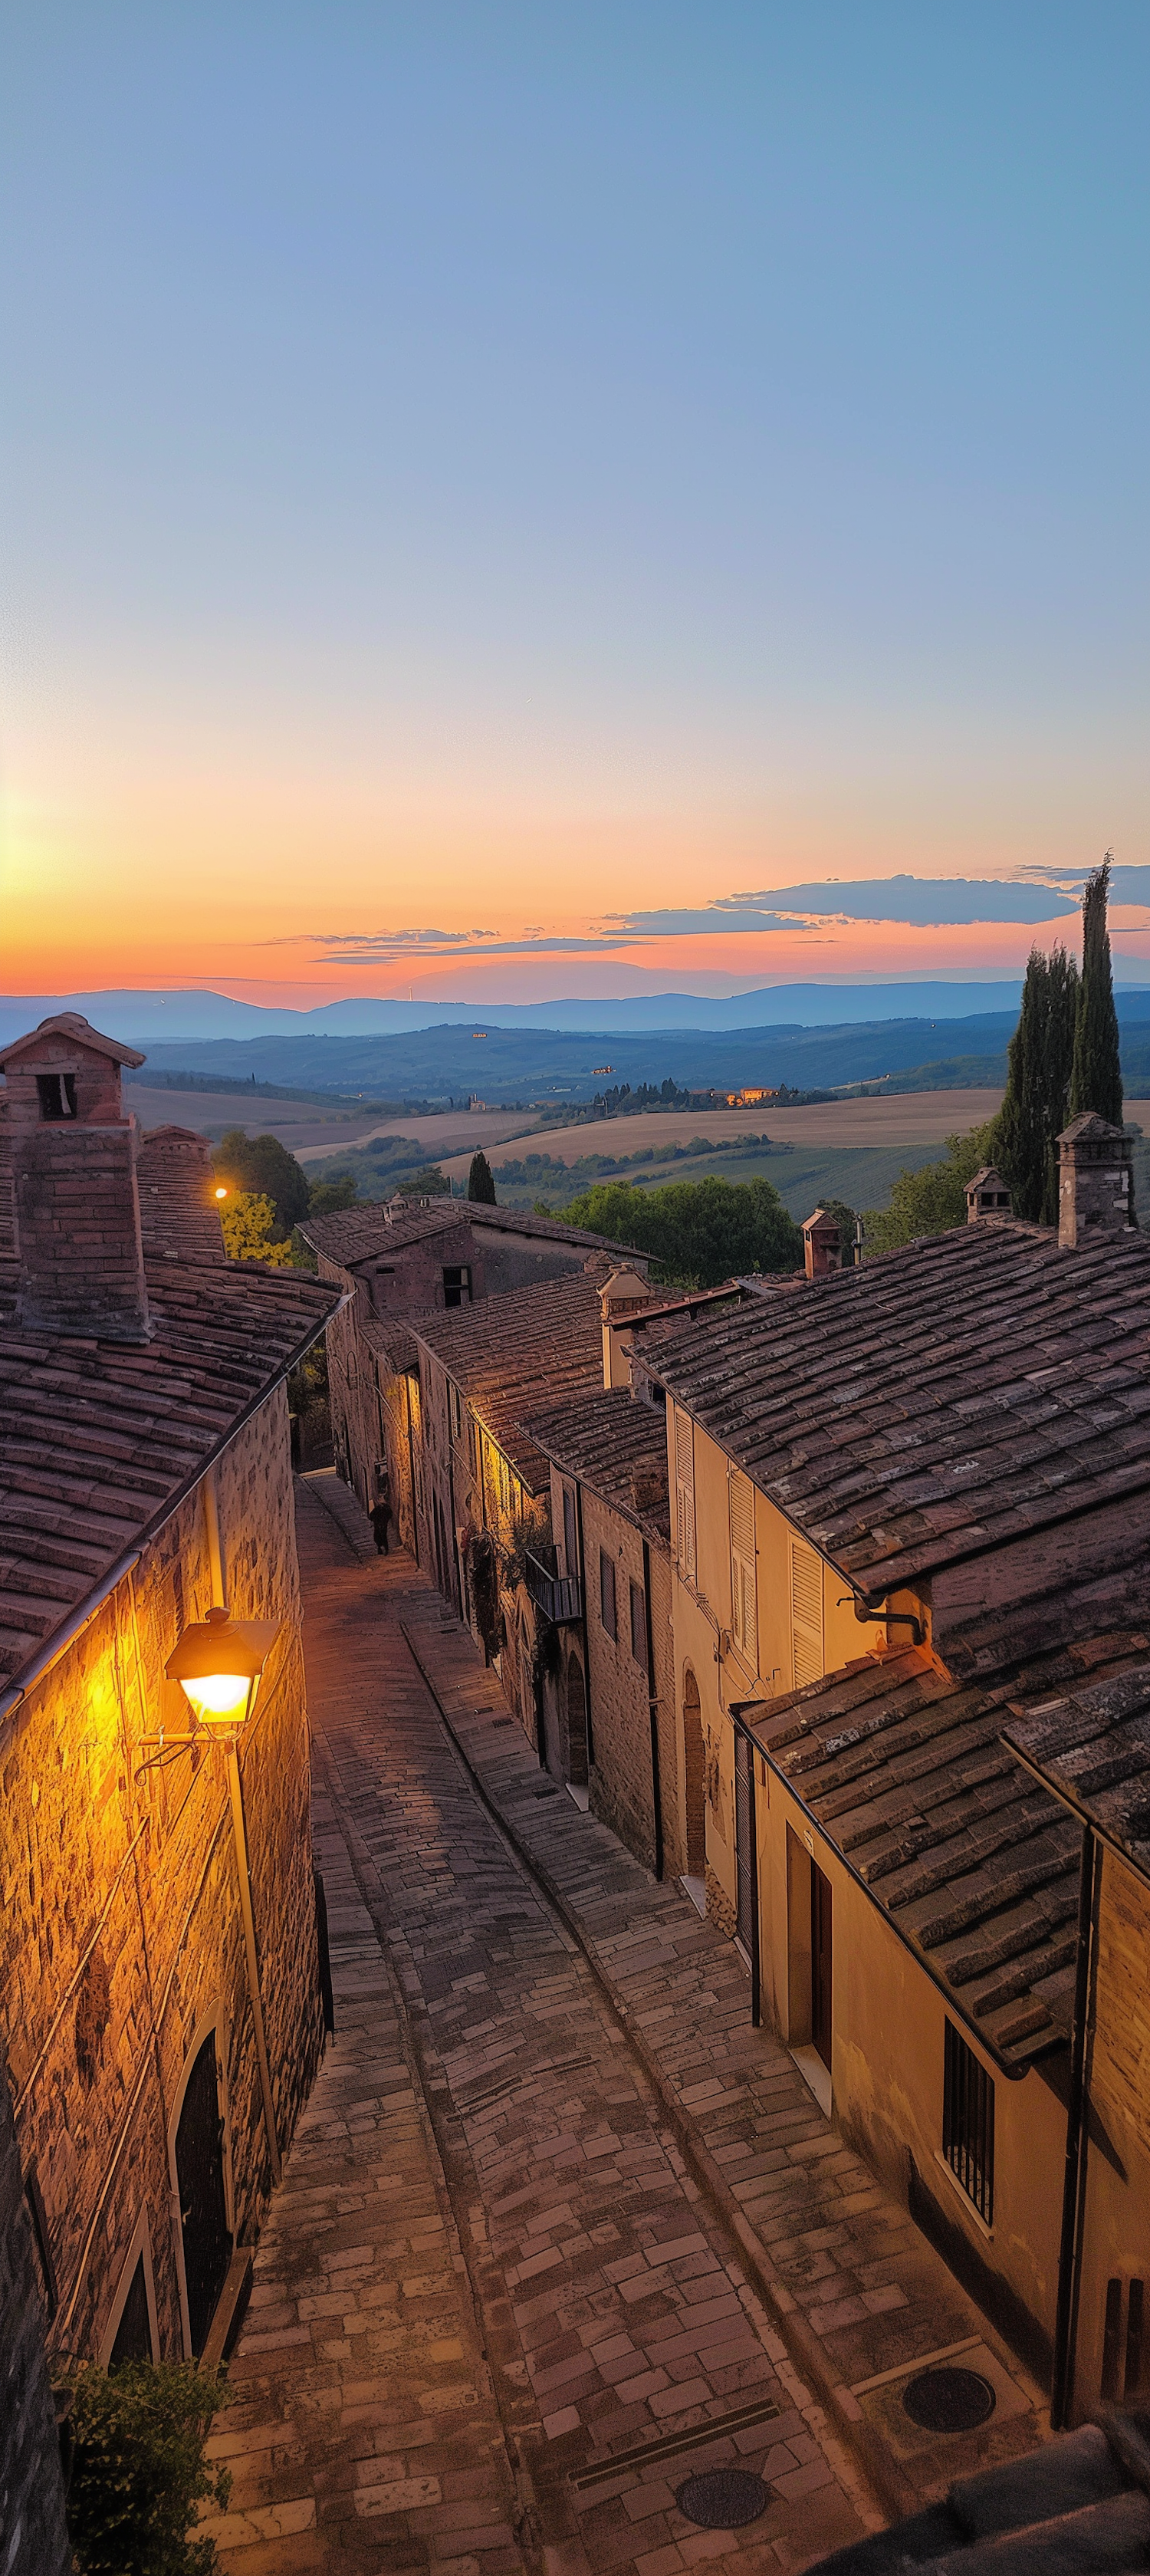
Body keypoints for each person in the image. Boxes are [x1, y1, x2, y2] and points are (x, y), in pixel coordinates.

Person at [370, 1479, 393, 1554]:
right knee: (383, 1537)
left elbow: (371, 1516)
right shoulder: (385, 1508)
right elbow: (390, 1515)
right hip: (382, 1525)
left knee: (378, 1537)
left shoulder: (378, 1509)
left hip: (379, 1525)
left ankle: (381, 1549)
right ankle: (384, 1549)